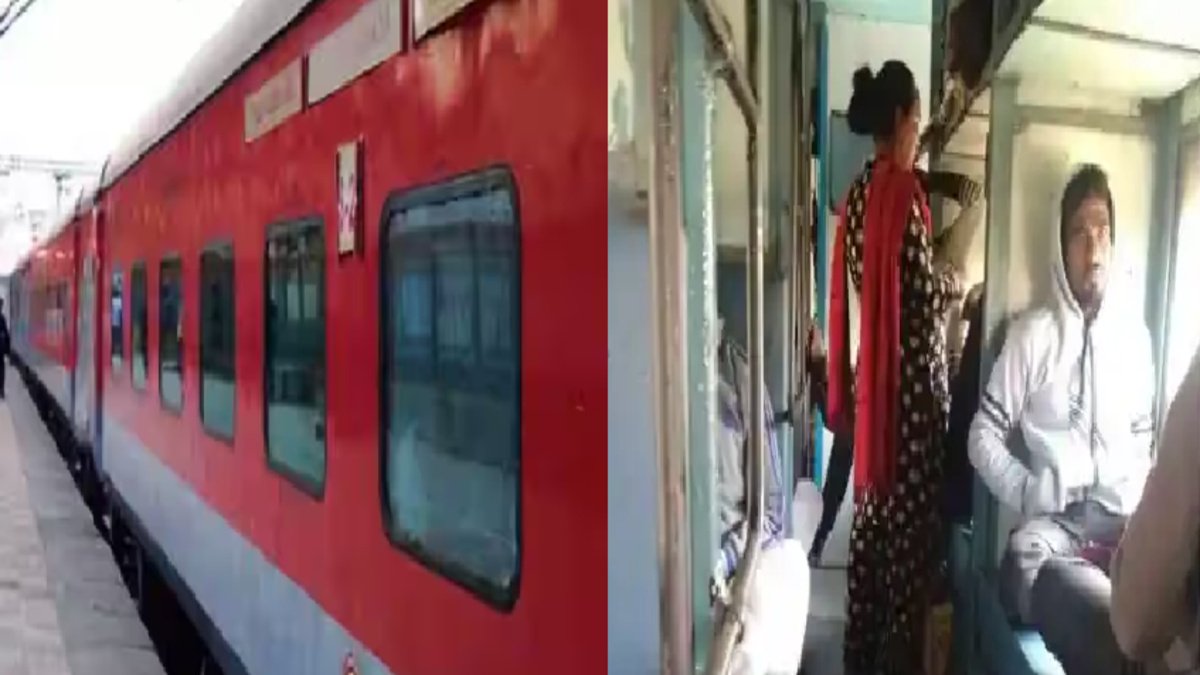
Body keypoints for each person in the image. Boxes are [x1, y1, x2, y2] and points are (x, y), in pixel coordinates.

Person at [967, 164, 1156, 673]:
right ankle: (1109, 633)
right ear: (1060, 245)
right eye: (1079, 234)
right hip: (1055, 530)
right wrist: (1030, 491)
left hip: (1124, 525)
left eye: (1103, 233)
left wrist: (1143, 524)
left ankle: (1118, 628)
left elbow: (1145, 445)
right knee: (1027, 565)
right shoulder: (1032, 337)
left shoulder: (1135, 340)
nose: (1093, 250)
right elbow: (981, 437)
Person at [827, 61, 963, 674]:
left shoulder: (857, 196)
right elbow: (920, 296)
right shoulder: (904, 197)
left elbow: (877, 287)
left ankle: (860, 658)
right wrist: (955, 282)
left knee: (872, 533)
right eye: (918, 120)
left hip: (875, 389)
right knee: (908, 551)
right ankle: (895, 662)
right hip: (909, 400)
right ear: (906, 119)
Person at [1109, 344, 1200, 672]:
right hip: (1058, 516)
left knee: (1054, 583)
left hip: (1116, 510)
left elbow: (1136, 626)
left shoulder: (1134, 338)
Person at [0, 297, 10, 398]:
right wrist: (7, 351)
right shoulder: (2, 319)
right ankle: (1, 390)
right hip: (1, 350)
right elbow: (6, 335)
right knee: (1, 370)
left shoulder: (2, 319)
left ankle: (1, 390)